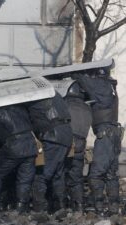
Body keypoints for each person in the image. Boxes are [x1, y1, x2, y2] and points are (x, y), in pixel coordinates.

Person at [72, 65, 123, 215]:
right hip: (114, 134)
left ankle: (99, 208)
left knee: (95, 174)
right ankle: (113, 208)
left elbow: (82, 80)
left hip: (105, 135)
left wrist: (76, 73)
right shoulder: (111, 87)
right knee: (110, 174)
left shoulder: (100, 84)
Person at [0, 104, 38, 213]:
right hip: (30, 145)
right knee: (24, 180)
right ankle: (21, 209)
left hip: (14, 145)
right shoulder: (21, 107)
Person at [27, 92, 73, 213]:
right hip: (66, 136)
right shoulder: (54, 93)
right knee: (58, 174)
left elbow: (30, 121)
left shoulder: (32, 95)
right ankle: (60, 207)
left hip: (53, 137)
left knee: (42, 175)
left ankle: (39, 209)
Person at [63, 81, 92, 212]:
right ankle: (79, 205)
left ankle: (62, 204)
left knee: (61, 173)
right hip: (81, 143)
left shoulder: (66, 104)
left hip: (68, 142)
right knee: (77, 177)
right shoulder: (86, 108)